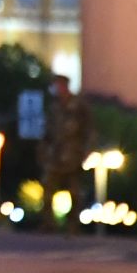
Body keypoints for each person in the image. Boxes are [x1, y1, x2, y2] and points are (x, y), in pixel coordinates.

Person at [41, 74, 92, 233]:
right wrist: (43, 151)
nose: (57, 88)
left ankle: (73, 226)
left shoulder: (79, 105)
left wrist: (86, 151)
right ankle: (49, 224)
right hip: (55, 155)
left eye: (59, 85)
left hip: (73, 155)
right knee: (48, 190)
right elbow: (47, 131)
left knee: (75, 193)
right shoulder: (54, 106)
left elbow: (89, 129)